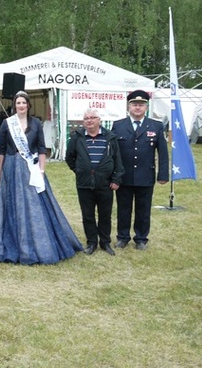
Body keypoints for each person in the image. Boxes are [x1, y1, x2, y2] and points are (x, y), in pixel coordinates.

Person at [0, 91, 83, 265]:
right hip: (12, 168)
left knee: (35, 205)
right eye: (18, 103)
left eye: (23, 103)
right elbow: (2, 151)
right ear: (14, 105)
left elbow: (42, 148)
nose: (21, 105)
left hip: (32, 168)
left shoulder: (36, 123)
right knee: (10, 204)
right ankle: (13, 243)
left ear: (28, 105)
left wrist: (41, 170)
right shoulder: (7, 124)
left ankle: (38, 243)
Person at [112, 90, 169, 250]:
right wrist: (113, 175)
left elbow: (163, 153)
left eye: (141, 105)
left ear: (146, 107)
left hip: (146, 175)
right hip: (124, 176)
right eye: (134, 104)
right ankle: (122, 237)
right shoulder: (118, 125)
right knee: (123, 208)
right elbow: (113, 153)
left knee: (143, 210)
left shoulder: (156, 126)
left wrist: (162, 175)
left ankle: (141, 238)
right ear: (128, 106)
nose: (138, 108)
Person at [65, 108, 124, 256]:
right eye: (86, 118)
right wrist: (80, 170)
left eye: (93, 117)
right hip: (84, 184)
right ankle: (91, 243)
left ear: (99, 120)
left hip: (105, 184)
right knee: (88, 215)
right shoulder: (77, 137)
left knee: (105, 215)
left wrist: (116, 179)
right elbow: (69, 157)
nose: (89, 120)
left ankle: (105, 243)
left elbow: (118, 160)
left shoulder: (110, 138)